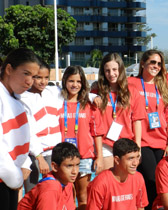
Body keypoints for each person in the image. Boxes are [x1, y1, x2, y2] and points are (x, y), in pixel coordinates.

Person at [128, 50, 168, 210]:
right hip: (142, 141)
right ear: (143, 63)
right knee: (150, 179)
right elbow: (107, 86)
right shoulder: (131, 82)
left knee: (161, 181)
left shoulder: (163, 87)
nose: (156, 66)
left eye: (159, 64)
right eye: (152, 62)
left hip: (161, 141)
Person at [58, 65, 103, 210]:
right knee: (65, 196)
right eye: (71, 81)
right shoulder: (58, 103)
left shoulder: (89, 104)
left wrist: (100, 156)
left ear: (83, 83)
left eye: (78, 81)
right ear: (65, 81)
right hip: (62, 158)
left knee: (83, 196)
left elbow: (96, 133)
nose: (75, 85)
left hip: (84, 157)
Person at [0, 48, 40, 210]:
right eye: (26, 73)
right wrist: (16, 177)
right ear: (9, 69)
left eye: (33, 76)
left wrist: (24, 164)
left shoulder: (17, 99)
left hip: (9, 181)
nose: (30, 81)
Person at [96, 53, 145, 170]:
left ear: (121, 70)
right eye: (107, 70)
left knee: (125, 182)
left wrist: (138, 148)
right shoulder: (97, 91)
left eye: (114, 69)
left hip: (126, 143)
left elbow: (137, 121)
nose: (111, 74)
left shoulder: (132, 91)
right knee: (108, 180)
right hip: (105, 144)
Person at [21, 60, 62, 193]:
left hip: (53, 154)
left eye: (46, 77)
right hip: (34, 157)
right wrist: (39, 157)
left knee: (52, 193)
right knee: (33, 194)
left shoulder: (53, 92)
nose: (43, 82)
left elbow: (75, 93)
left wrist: (93, 96)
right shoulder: (23, 98)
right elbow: (29, 131)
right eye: (38, 77)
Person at [86, 138, 148, 210]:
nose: (135, 163)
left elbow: (140, 207)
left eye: (137, 157)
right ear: (117, 160)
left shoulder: (138, 178)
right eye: (130, 158)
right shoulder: (100, 183)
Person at [18, 142, 80, 210]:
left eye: (77, 165)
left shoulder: (68, 183)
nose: (75, 171)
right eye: (69, 166)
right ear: (55, 167)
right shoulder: (50, 189)